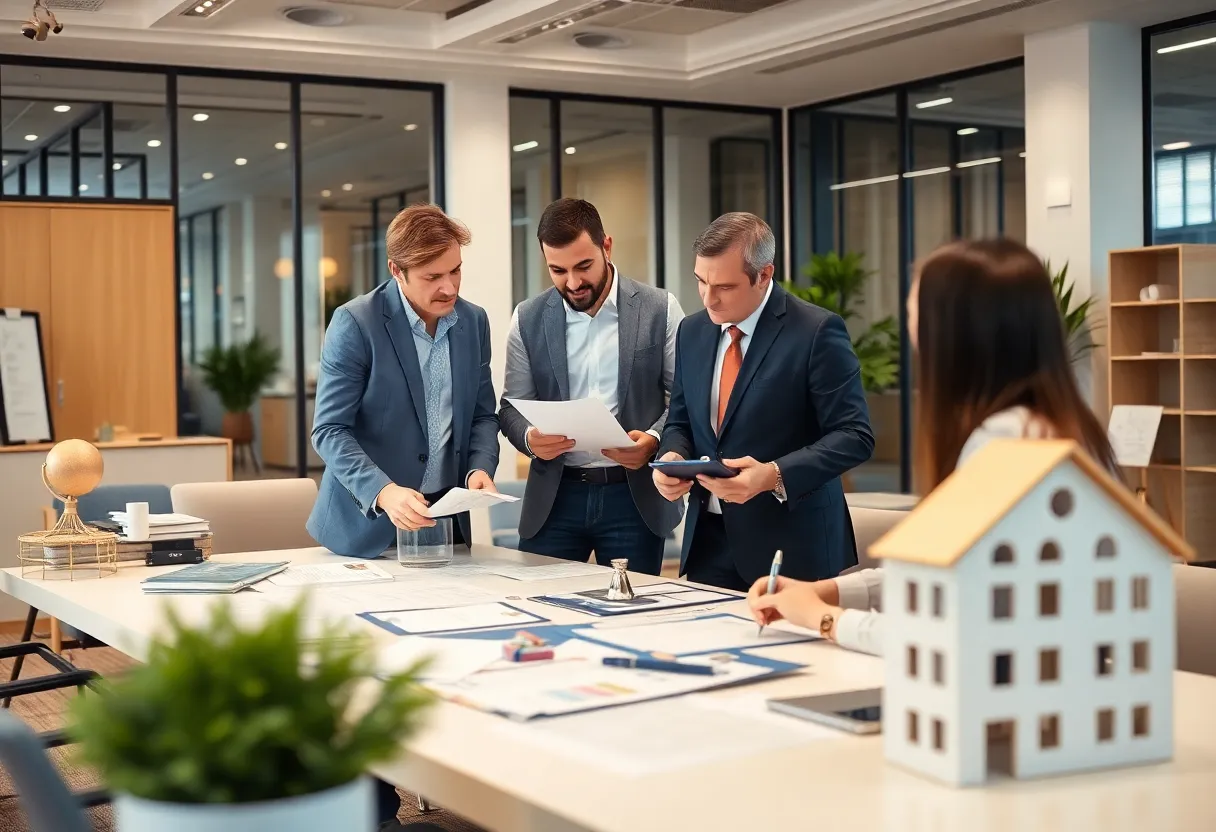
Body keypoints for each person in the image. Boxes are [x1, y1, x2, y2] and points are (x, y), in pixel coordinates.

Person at [747, 238, 1118, 656]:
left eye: (912, 311)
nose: (909, 325)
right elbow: (952, 573)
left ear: (953, 332)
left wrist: (822, 618)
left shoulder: (1005, 446)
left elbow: (950, 634)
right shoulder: (1057, 427)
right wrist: (826, 591)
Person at [653, 212, 874, 591]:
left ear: (764, 275)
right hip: (709, 540)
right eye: (701, 282)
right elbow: (681, 421)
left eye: (724, 286)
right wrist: (673, 457)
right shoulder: (692, 330)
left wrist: (773, 475)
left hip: (793, 547)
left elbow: (855, 435)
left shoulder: (816, 331)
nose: (709, 298)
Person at [499, 198, 684, 573]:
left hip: (633, 497)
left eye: (584, 266)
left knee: (634, 619)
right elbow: (510, 407)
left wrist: (652, 439)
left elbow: (685, 399)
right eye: (557, 270)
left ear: (607, 246)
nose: (573, 282)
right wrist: (531, 439)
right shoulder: (527, 318)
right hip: (555, 498)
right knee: (542, 611)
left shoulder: (660, 308)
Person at [307, 202, 500, 557]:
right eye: (432, 277)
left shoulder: (474, 322)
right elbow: (330, 430)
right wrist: (383, 491)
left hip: (445, 525)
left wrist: (479, 467)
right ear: (397, 270)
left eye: (455, 271)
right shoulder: (355, 323)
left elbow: (483, 416)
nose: (449, 288)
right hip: (367, 531)